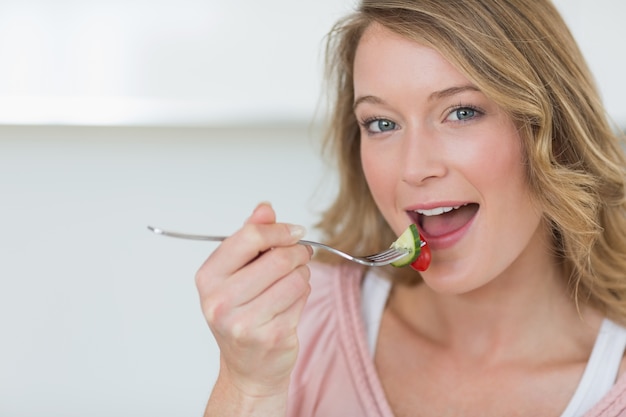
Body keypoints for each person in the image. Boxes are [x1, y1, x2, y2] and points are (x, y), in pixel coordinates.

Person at [195, 0, 626, 416]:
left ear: (555, 128)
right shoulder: (293, 325)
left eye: (461, 112)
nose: (414, 169)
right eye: (382, 123)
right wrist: (247, 388)